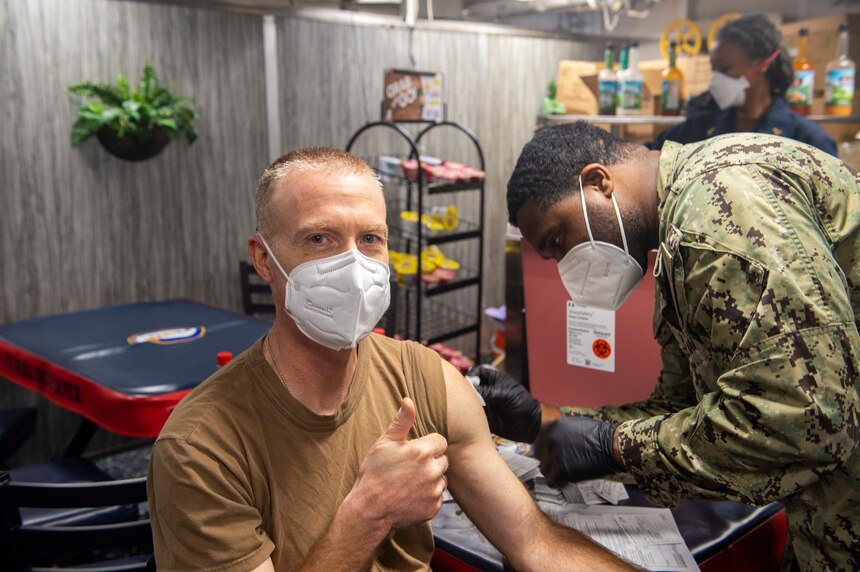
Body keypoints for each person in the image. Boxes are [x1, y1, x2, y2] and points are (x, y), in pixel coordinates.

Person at [146, 147, 632, 571]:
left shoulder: (425, 379)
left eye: (371, 239)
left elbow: (536, 544)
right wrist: (369, 512)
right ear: (264, 259)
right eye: (321, 239)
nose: (354, 266)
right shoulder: (200, 448)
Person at [475, 122, 859, 570]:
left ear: (598, 182)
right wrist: (547, 422)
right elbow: (685, 411)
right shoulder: (682, 237)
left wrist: (613, 446)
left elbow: (805, 420)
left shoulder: (716, 217)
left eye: (559, 242)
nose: (565, 268)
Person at [648, 15, 837, 156]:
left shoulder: (806, 140)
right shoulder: (700, 128)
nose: (716, 79)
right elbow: (649, 154)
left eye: (725, 68)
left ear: (762, 65)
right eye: (714, 70)